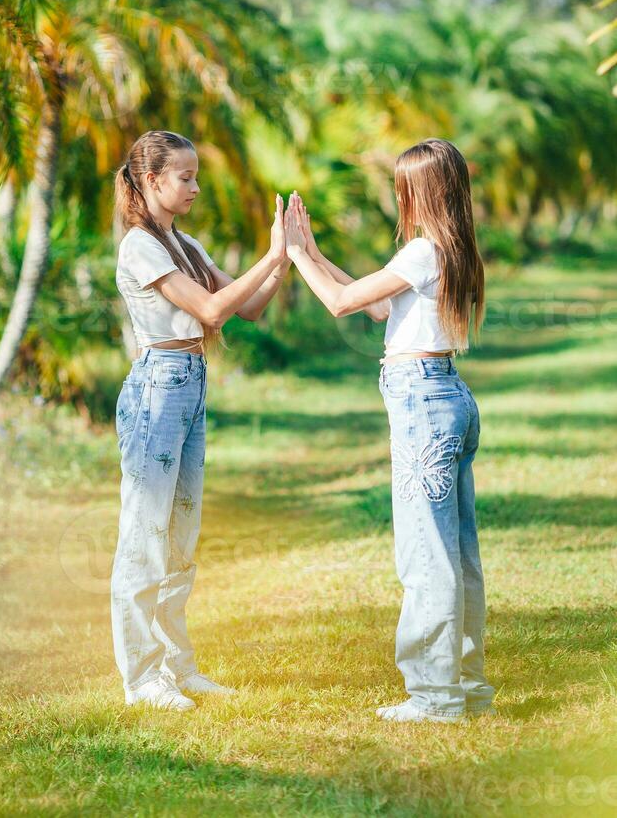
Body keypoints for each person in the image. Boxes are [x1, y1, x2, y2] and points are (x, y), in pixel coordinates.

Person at [283, 138, 495, 724]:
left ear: (420, 192)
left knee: (426, 556)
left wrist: (295, 253)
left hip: (424, 404)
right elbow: (378, 307)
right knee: (457, 554)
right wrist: (318, 253)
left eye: (403, 187)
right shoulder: (450, 251)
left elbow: (342, 304)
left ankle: (434, 696)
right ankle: (465, 687)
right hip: (446, 395)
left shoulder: (422, 252)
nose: (396, 196)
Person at [111, 129, 289, 711]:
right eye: (183, 177)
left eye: (195, 175)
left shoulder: (183, 243)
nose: (194, 186)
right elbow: (211, 309)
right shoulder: (140, 245)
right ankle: (141, 679)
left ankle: (176, 667)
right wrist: (269, 254)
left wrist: (283, 257)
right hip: (157, 388)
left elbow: (251, 308)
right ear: (151, 180)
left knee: (181, 536)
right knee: (145, 534)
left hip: (189, 387)